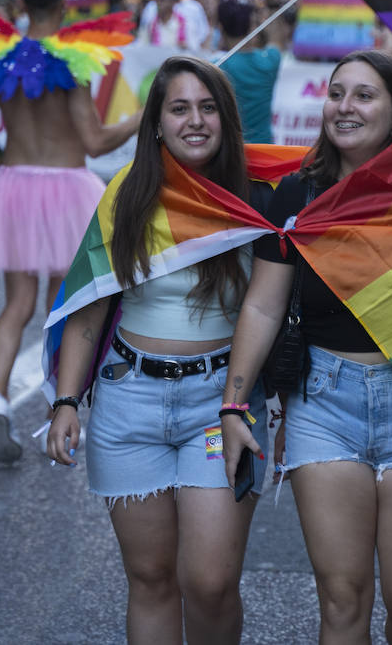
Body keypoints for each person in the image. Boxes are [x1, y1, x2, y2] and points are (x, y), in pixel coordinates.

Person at [220, 50, 392, 644]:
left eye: (364, 95)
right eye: (336, 93)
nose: (345, 107)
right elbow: (263, 304)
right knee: (342, 604)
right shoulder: (296, 193)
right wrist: (234, 404)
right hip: (322, 406)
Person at [45, 56, 269, 643]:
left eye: (207, 107)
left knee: (212, 583)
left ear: (225, 118)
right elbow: (88, 308)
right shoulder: (126, 195)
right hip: (128, 405)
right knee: (148, 578)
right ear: (157, 124)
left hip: (221, 406)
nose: (195, 121)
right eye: (179, 108)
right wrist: (66, 402)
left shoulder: (258, 196)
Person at [0, 0, 141, 463]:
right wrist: (139, 116)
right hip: (67, 188)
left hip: (13, 185)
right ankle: (54, 410)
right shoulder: (71, 62)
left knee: (15, 305)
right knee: (60, 309)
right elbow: (93, 140)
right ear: (64, 2)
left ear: (20, 3)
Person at [215, 0, 281, 144]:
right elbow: (276, 37)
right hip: (265, 149)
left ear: (221, 27)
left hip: (231, 148)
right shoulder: (271, 59)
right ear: (252, 25)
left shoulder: (215, 66)